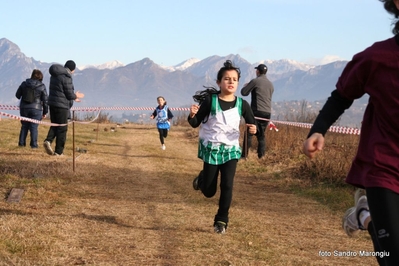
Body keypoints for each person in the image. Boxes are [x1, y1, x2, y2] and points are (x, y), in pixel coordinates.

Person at [303, 1, 399, 264]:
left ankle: (364, 215)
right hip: (385, 167)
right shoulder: (376, 58)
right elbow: (342, 95)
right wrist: (318, 130)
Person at [188, 60, 257, 234]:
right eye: (227, 79)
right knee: (209, 192)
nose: (231, 82)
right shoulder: (211, 101)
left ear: (238, 82)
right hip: (211, 150)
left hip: (231, 151)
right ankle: (203, 178)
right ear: (219, 82)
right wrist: (192, 115)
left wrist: (253, 129)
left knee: (227, 185)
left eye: (234, 79)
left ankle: (221, 220)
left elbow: (252, 124)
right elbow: (195, 123)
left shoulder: (243, 104)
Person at [43, 60, 84, 156]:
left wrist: (73, 97)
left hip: (52, 104)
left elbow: (60, 91)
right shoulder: (66, 77)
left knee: (55, 125)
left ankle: (48, 140)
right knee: (62, 128)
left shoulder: (54, 75)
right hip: (62, 106)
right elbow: (69, 94)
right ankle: (58, 152)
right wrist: (76, 96)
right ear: (72, 69)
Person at [240, 63, 274, 159]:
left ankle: (244, 156)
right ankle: (261, 156)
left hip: (256, 111)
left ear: (257, 71)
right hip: (267, 112)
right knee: (261, 135)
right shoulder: (271, 84)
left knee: (249, 133)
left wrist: (248, 86)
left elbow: (244, 92)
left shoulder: (255, 81)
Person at [15, 69, 48, 148]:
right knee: (34, 127)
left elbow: (17, 95)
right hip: (36, 109)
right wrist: (45, 112)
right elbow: (45, 100)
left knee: (24, 126)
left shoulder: (24, 84)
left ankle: (21, 144)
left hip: (24, 109)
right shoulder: (42, 86)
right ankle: (33, 145)